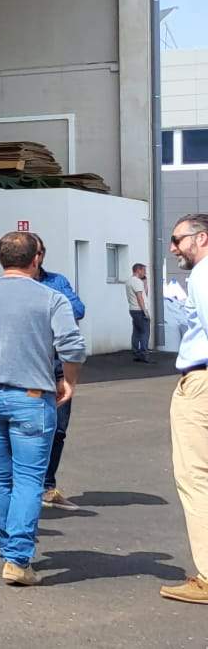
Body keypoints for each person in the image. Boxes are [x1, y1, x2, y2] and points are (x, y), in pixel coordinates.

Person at [0, 231, 85, 586]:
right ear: (36, 258)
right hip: (30, 395)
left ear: (1, 259)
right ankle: (17, 557)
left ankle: (7, 545)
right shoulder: (51, 298)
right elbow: (72, 347)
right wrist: (68, 381)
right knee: (29, 478)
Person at [162, 214, 208, 604]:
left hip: (202, 382)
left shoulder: (203, 275)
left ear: (201, 238)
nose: (174, 247)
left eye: (178, 240)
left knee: (195, 477)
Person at [33, 237, 86, 510]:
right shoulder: (12, 284)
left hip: (55, 364)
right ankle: (24, 486)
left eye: (39, 252)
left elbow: (78, 309)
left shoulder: (57, 281)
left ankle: (47, 486)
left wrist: (48, 301)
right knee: (25, 427)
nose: (36, 257)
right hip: (28, 364)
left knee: (57, 428)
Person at [130, 263, 152, 363]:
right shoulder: (137, 282)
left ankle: (136, 353)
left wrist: (145, 283)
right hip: (140, 310)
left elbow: (144, 294)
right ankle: (144, 354)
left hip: (133, 309)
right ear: (138, 270)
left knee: (136, 332)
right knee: (145, 332)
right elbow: (140, 297)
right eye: (143, 270)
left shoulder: (130, 281)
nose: (145, 273)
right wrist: (145, 311)